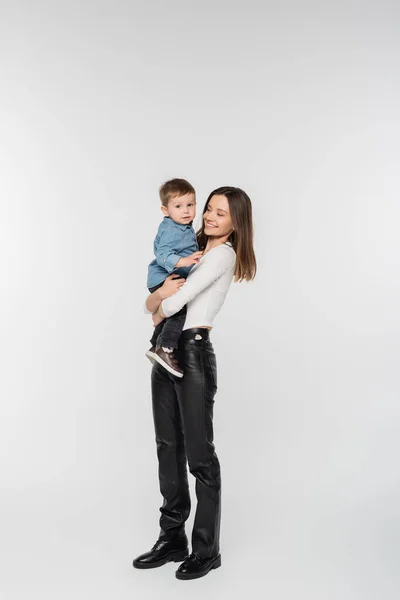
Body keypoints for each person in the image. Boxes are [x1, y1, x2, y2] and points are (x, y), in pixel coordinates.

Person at [133, 187, 257, 580]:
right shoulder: (192, 248)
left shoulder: (222, 255)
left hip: (192, 352)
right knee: (167, 446)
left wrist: (158, 304)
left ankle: (206, 549)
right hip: (164, 352)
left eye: (221, 213)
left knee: (199, 456)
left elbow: (173, 300)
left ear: (236, 222)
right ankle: (172, 538)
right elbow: (153, 301)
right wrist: (157, 303)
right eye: (209, 208)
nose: (209, 216)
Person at [146, 178, 203, 377]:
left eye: (190, 205)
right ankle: (166, 348)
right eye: (178, 206)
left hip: (165, 278)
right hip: (164, 277)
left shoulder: (181, 227)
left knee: (169, 315)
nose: (186, 211)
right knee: (178, 310)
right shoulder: (172, 229)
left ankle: (155, 345)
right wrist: (183, 261)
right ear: (165, 210)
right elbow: (162, 254)